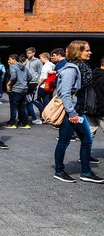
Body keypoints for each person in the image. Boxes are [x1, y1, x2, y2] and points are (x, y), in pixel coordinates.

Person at [53, 41, 103, 183]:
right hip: (72, 112)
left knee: (87, 140)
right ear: (78, 52)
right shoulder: (70, 69)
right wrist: (72, 113)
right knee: (63, 142)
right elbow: (65, 93)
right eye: (87, 50)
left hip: (79, 111)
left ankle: (86, 172)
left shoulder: (82, 68)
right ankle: (59, 171)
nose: (90, 52)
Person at [4, 54, 30, 129]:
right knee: (23, 106)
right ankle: (25, 123)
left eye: (10, 59)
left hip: (15, 89)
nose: (9, 61)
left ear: (14, 59)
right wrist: (24, 82)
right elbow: (30, 77)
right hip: (24, 88)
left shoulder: (13, 67)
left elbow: (13, 76)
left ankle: (13, 123)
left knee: (13, 107)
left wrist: (8, 84)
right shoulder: (24, 67)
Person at [25, 47, 43, 124]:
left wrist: (38, 83)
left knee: (33, 100)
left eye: (29, 53)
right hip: (26, 82)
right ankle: (34, 116)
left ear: (33, 53)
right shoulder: (26, 61)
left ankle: (42, 114)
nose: (28, 54)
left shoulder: (38, 61)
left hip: (34, 82)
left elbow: (40, 72)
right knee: (29, 100)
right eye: (27, 53)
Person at [88, 56, 104, 138]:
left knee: (89, 136)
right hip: (101, 111)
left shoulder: (91, 75)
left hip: (90, 108)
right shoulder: (102, 78)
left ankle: (86, 151)